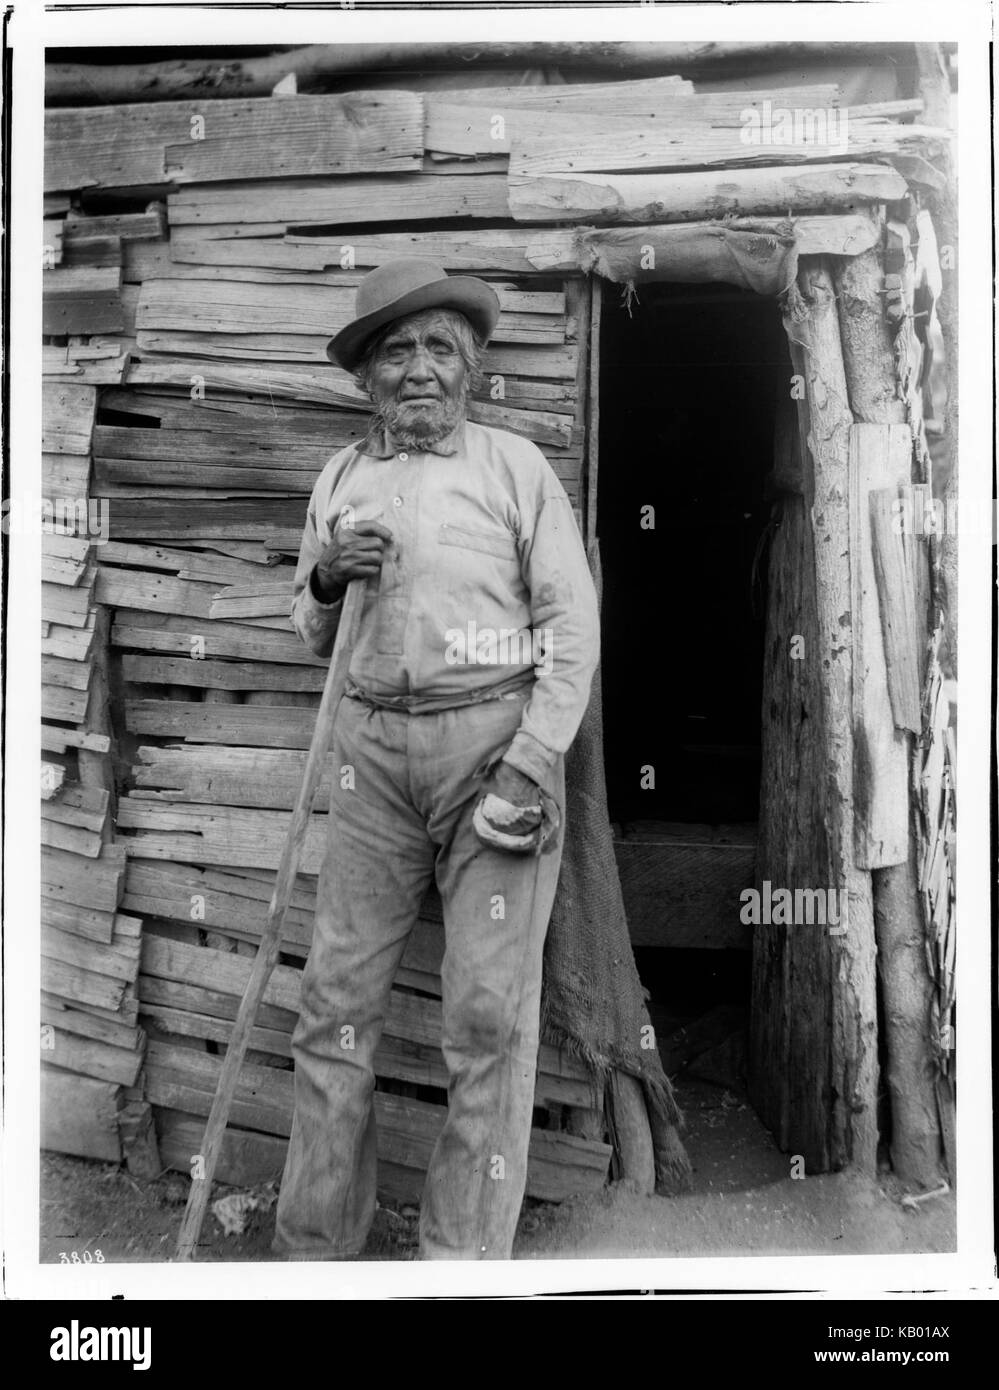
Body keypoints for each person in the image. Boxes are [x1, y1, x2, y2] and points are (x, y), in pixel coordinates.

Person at [273, 257, 600, 1260]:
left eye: (438, 348)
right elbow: (305, 628)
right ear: (368, 374)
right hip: (368, 764)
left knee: (487, 1023)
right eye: (397, 350)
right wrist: (328, 575)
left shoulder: (513, 471)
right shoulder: (341, 479)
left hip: (488, 762)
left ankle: (459, 1265)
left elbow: (571, 628)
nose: (418, 367)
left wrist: (531, 762)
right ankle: (315, 1250)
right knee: (331, 1011)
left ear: (471, 366)